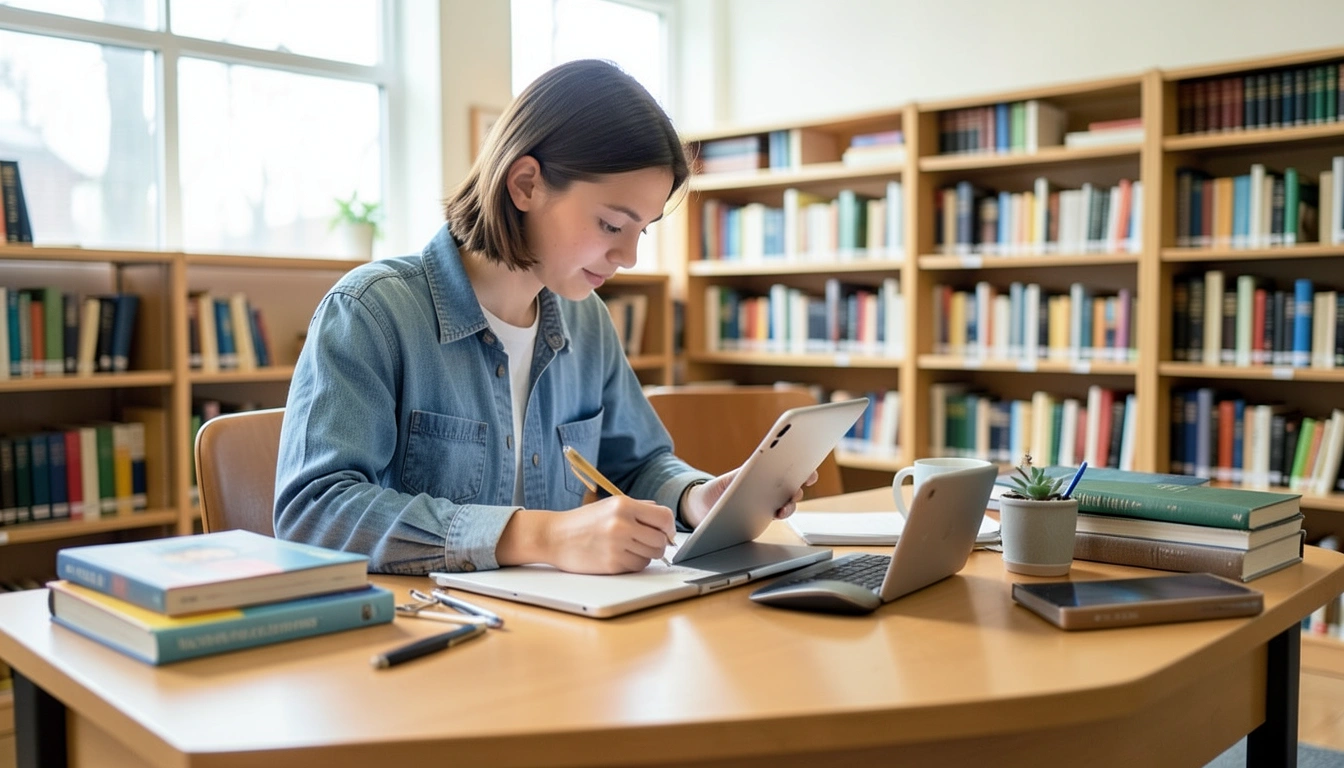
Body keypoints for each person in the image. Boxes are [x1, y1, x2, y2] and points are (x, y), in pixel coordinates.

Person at [274, 59, 814, 576]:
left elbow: (638, 465)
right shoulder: (371, 312)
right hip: (423, 624)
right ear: (526, 184)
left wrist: (697, 499)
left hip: (554, 622)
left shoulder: (588, 322)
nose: (629, 257)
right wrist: (542, 536)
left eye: (641, 231)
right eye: (611, 225)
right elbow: (313, 511)